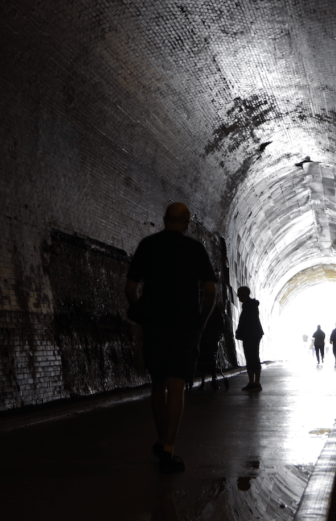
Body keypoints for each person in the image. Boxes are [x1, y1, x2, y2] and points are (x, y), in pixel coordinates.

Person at [126, 203, 217, 474]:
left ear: (164, 220)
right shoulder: (195, 249)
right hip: (185, 326)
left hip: (155, 325)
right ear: (187, 223)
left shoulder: (147, 245)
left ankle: (161, 437)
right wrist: (201, 320)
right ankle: (168, 449)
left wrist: (142, 312)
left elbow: (130, 288)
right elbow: (210, 290)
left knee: (158, 384)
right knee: (177, 387)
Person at [234, 286, 264, 391]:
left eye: (239, 294)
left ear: (244, 294)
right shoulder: (249, 305)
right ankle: (253, 382)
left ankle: (255, 383)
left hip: (251, 336)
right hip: (252, 335)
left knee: (252, 358)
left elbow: (250, 323)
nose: (238, 296)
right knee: (252, 358)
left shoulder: (249, 306)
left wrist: (249, 336)